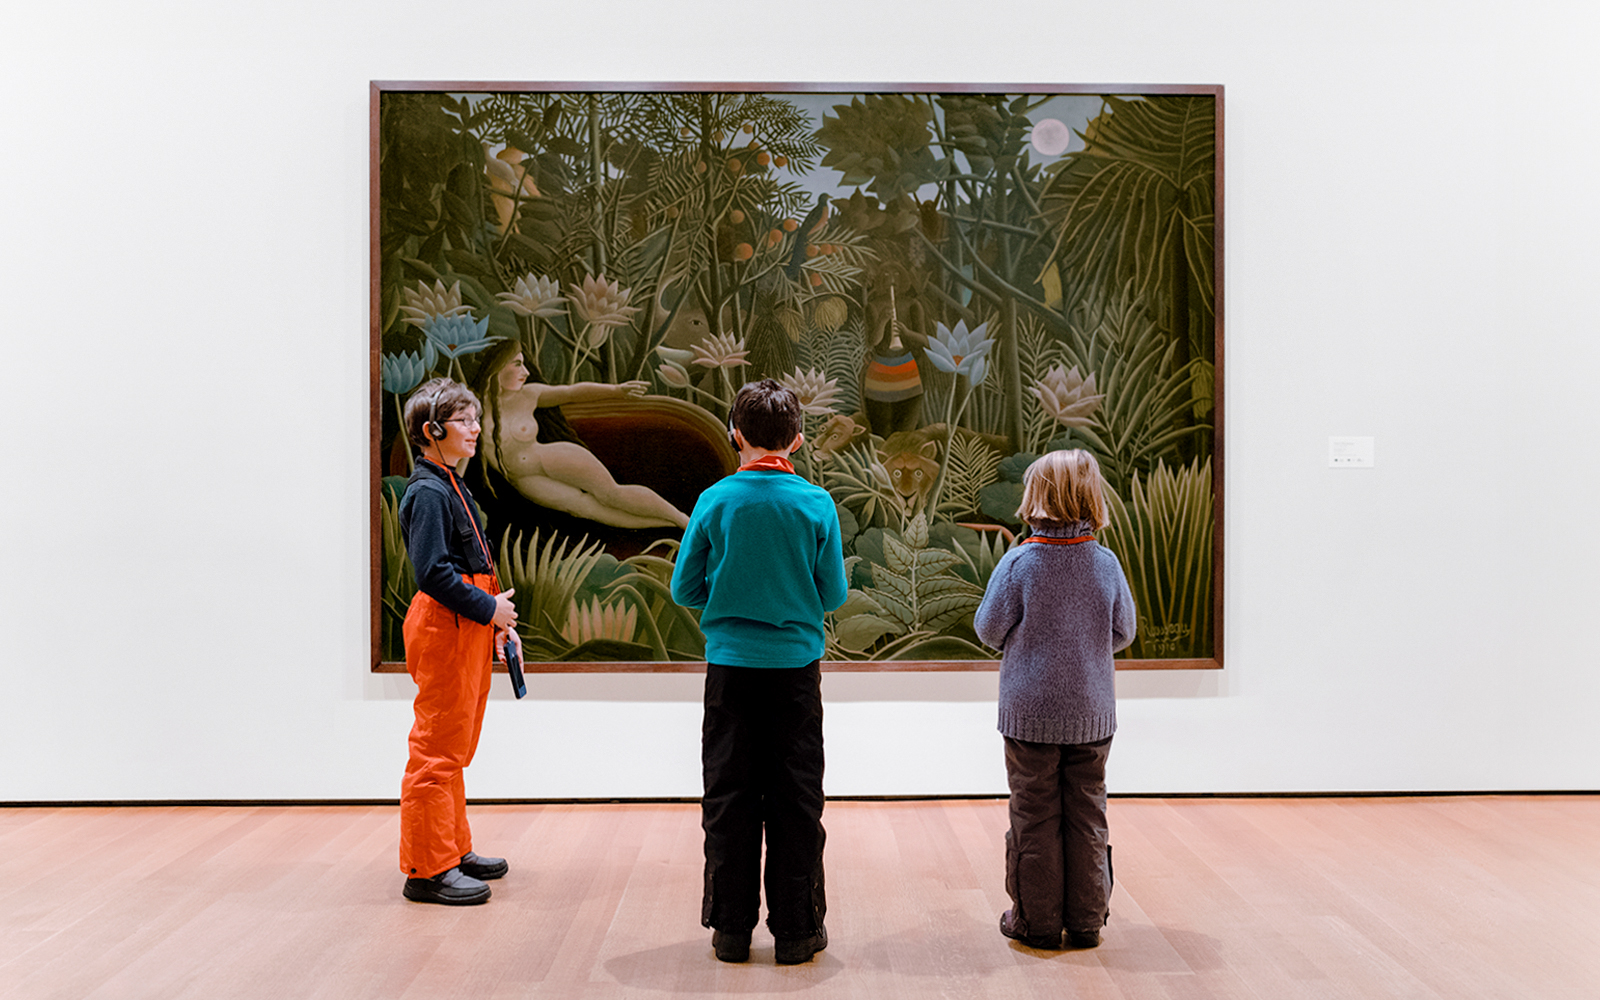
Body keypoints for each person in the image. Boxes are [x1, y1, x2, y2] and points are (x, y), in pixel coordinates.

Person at [670, 379, 849, 965]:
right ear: (797, 439)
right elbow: (832, 595)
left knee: (729, 795)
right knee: (797, 798)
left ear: (735, 434)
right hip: (796, 671)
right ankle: (797, 932)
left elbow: (683, 589)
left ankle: (730, 930)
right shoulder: (816, 504)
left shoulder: (715, 500)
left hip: (729, 672)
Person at [972, 449, 1136, 950]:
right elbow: (1124, 632)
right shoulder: (1104, 563)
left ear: (1035, 497)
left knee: (1034, 813)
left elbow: (988, 629)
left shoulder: (1020, 562)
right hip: (1091, 714)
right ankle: (1087, 921)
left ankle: (1036, 922)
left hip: (1030, 717)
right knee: (1088, 812)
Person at [396, 377, 521, 905]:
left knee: (456, 746)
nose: (475, 428)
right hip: (444, 627)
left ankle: (452, 849)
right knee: (437, 750)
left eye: (474, 419)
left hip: (464, 627)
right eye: (464, 420)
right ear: (432, 430)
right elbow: (434, 574)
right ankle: (427, 868)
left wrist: (493, 620)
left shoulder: (449, 482)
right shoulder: (427, 491)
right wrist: (489, 607)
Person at [476, 343, 689, 529]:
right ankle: (670, 524)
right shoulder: (471, 404)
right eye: (516, 364)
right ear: (497, 366)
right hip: (524, 480)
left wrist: (616, 390)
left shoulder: (529, 394)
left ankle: (682, 520)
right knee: (585, 509)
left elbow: (571, 392)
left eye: (523, 363)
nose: (525, 371)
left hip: (549, 458)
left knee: (611, 494)